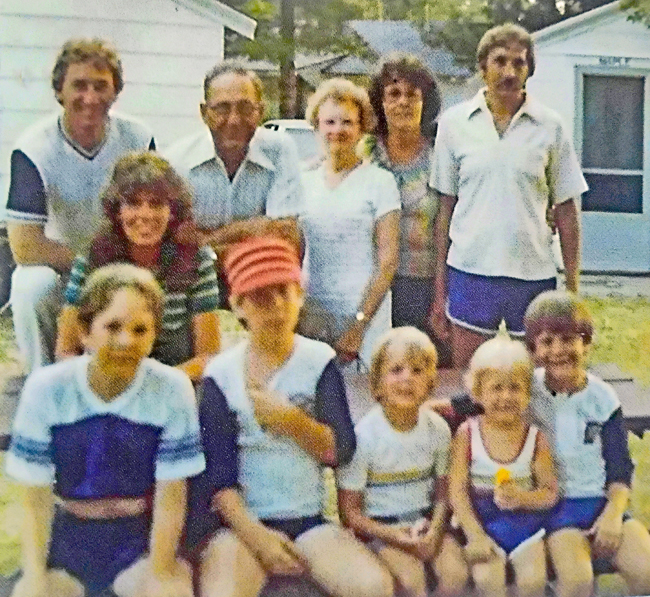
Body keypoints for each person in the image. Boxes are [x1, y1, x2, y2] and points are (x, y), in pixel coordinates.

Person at [186, 234, 395, 597]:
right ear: (237, 305)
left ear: (300, 296)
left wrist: (291, 421)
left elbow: (340, 450)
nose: (276, 307)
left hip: (308, 520)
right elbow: (217, 477)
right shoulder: (221, 374)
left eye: (285, 293)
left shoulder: (318, 361)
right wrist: (258, 538)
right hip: (241, 524)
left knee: (373, 587)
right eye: (261, 298)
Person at [6, 264, 205, 597]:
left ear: (154, 335)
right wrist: (35, 576)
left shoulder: (171, 389)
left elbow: (172, 494)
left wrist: (160, 572)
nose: (126, 341)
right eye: (112, 327)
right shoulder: (47, 389)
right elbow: (34, 498)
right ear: (85, 331)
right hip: (68, 535)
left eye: (140, 330)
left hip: (140, 536)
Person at [429, 23, 588, 368]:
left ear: (529, 69)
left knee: (537, 380)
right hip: (471, 271)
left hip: (533, 273)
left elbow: (566, 209)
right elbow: (444, 212)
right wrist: (440, 291)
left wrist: (572, 289)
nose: (509, 72)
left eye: (519, 63)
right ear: (482, 67)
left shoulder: (550, 126)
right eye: (500, 61)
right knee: (469, 378)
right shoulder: (454, 124)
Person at [5, 38, 154, 373]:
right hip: (62, 264)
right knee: (30, 284)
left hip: (127, 260)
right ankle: (42, 382)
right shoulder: (34, 148)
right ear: (59, 91)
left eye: (101, 86)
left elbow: (157, 211)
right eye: (79, 85)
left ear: (116, 92)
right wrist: (93, 265)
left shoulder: (138, 138)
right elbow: (25, 246)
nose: (90, 97)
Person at [524, 291, 650, 597]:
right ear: (533, 349)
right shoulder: (526, 389)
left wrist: (612, 515)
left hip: (600, 503)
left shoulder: (602, 398)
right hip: (555, 508)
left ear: (587, 343)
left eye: (569, 339)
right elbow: (475, 397)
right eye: (547, 341)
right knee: (578, 581)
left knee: (645, 569)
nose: (558, 350)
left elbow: (620, 468)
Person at [55, 152, 220, 382]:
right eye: (133, 203)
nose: (145, 214)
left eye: (156, 204)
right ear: (116, 210)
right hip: (106, 382)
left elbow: (209, 357)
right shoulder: (92, 259)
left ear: (173, 211)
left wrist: (150, 386)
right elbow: (66, 351)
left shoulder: (196, 259)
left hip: (173, 383)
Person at [337, 327, 468, 597]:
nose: (407, 378)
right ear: (377, 384)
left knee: (456, 575)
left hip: (427, 522)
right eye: (396, 370)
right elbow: (350, 512)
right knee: (411, 580)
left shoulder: (438, 429)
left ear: (430, 383)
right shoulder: (364, 436)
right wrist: (394, 535)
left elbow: (443, 494)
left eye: (417, 371)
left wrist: (435, 532)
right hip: (382, 529)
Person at [299, 78, 400, 368]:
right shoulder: (302, 180)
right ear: (317, 125)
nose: (337, 130)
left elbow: (388, 262)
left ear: (361, 127)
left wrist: (359, 326)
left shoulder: (380, 182)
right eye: (329, 122)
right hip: (313, 315)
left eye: (347, 122)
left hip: (366, 317)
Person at [448, 331, 558, 597]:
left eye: (515, 388)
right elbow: (457, 492)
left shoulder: (535, 438)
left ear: (527, 393)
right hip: (481, 523)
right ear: (478, 392)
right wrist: (474, 534)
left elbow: (549, 492)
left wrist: (522, 498)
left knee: (533, 581)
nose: (506, 397)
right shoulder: (468, 434)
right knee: (488, 580)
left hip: (525, 524)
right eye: (496, 388)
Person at [163, 63, 303, 257]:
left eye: (245, 108)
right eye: (222, 108)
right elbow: (175, 246)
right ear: (204, 113)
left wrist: (206, 240)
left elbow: (286, 236)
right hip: (198, 276)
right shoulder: (176, 163)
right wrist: (256, 230)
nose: (234, 120)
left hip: (261, 275)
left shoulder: (279, 149)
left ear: (261, 111)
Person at [365, 54, 451, 368]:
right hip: (373, 284)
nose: (403, 102)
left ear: (425, 102)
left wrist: (442, 296)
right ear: (380, 103)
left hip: (427, 285)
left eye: (412, 95)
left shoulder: (441, 154)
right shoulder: (364, 153)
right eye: (394, 94)